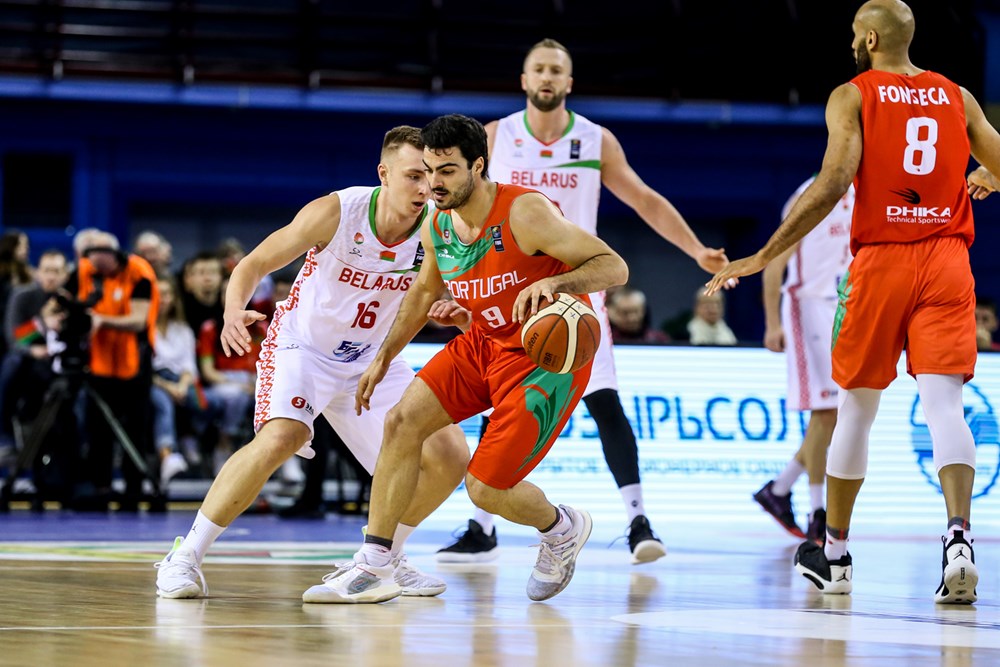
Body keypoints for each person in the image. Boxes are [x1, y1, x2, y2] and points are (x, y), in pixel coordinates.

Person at [706, 0, 1000, 604]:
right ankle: (959, 539)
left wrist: (763, 254)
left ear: (869, 38)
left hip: (883, 261)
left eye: (852, 35)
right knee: (946, 404)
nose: (850, 43)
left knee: (856, 409)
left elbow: (835, 182)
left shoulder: (853, 94)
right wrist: (990, 176)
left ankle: (834, 553)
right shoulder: (957, 96)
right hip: (948, 259)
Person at [307, 113, 629, 604]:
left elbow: (614, 266)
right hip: (483, 342)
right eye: (429, 170)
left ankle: (560, 528)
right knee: (401, 422)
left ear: (478, 166)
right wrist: (381, 356)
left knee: (484, 490)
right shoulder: (437, 222)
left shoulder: (526, 212)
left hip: (545, 360)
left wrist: (554, 282)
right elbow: (422, 292)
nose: (434, 184)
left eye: (447, 171)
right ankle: (377, 562)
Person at [436, 38, 727, 566]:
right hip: (509, 288)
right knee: (499, 400)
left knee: (605, 400)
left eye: (556, 71)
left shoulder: (595, 139)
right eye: (538, 70)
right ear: (524, 80)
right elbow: (458, 216)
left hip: (574, 290)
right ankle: (481, 527)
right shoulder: (496, 138)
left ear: (569, 83)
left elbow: (642, 198)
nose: (546, 78)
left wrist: (696, 250)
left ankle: (639, 520)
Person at [154, 125, 470, 600]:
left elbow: (452, 292)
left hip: (371, 359)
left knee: (450, 457)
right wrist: (232, 310)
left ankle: (384, 559)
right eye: (412, 176)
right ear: (383, 173)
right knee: (284, 435)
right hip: (304, 347)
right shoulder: (337, 212)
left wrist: (455, 311)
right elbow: (253, 264)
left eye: (429, 175)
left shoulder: (437, 228)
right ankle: (185, 556)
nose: (425, 187)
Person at [753, 177, 854, 545]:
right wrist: (772, 322)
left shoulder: (869, 192)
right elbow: (773, 261)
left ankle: (779, 490)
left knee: (837, 413)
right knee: (825, 411)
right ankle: (817, 511)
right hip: (808, 304)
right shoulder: (808, 194)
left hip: (846, 307)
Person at [70, 231, 160, 511]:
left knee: (135, 427)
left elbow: (137, 320)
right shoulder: (85, 270)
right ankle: (101, 488)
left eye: (98, 260)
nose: (92, 266)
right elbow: (70, 302)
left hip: (134, 362)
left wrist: (100, 320)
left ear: (111, 254)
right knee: (99, 428)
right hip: (100, 362)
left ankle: (134, 491)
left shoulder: (139, 273)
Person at [606, 284, 670, 345]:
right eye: (625, 313)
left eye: (636, 311)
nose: (632, 318)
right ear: (614, 313)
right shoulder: (606, 340)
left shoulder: (659, 339)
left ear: (643, 310)